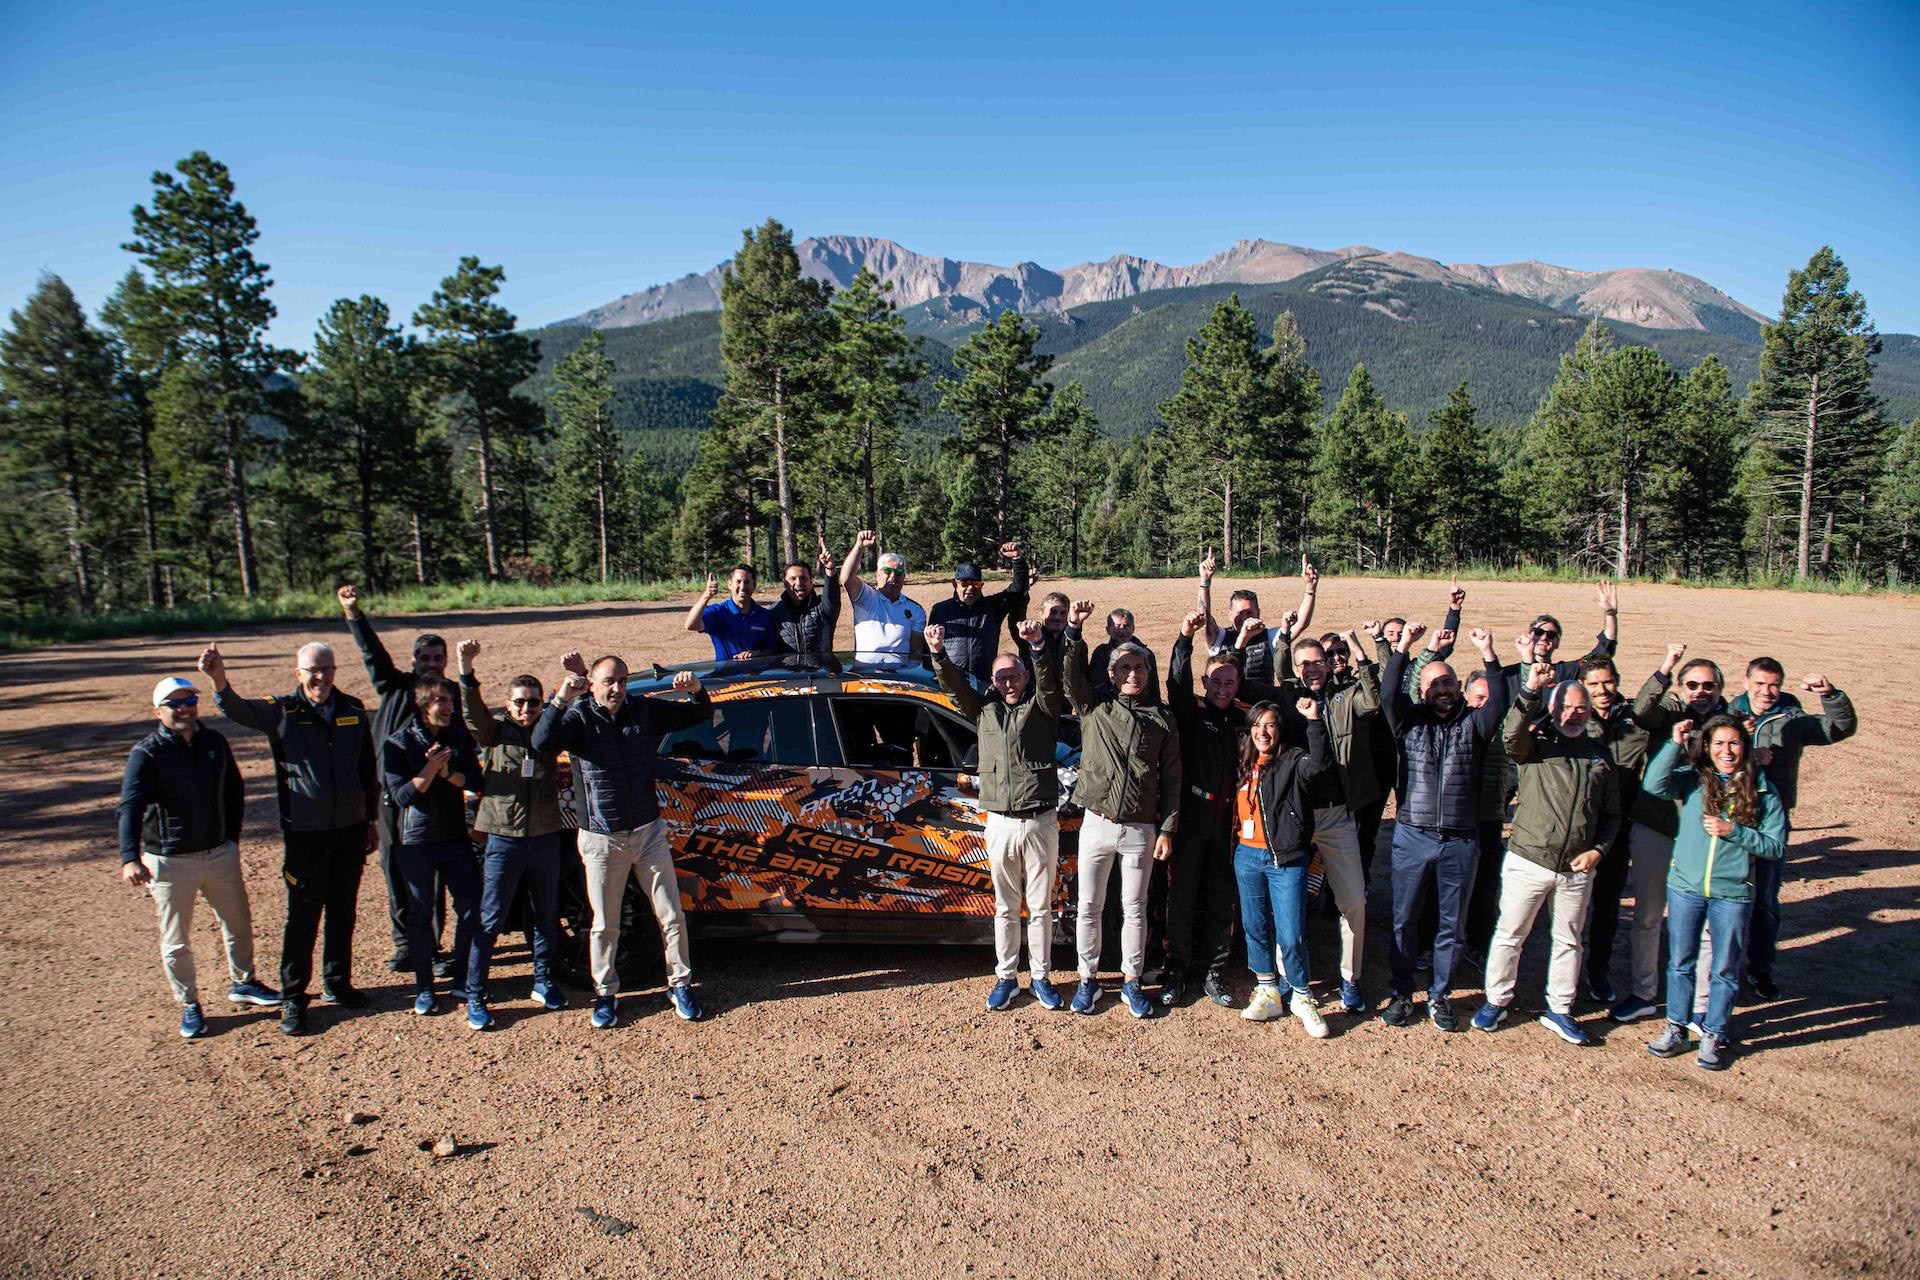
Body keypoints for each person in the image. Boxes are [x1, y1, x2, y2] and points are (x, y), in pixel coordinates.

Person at [203, 640, 379, 1036]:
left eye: (327, 669)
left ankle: (338, 984)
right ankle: (294, 996)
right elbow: (236, 709)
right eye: (313, 670)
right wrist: (218, 680)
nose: (321, 677)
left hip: (349, 829)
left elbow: (367, 768)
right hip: (305, 834)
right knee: (302, 916)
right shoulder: (282, 710)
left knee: (343, 911)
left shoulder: (352, 709)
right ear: (297, 672)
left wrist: (370, 820)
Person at [532, 654, 716, 1028]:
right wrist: (559, 700)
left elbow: (694, 716)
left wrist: (698, 692)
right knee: (605, 923)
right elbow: (541, 744)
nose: (616, 689)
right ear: (592, 684)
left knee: (671, 915)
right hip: (601, 839)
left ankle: (679, 984)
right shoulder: (577, 717)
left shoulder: (641, 711)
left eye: (621, 681)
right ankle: (605, 993)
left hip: (647, 832)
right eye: (608, 682)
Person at [118, 676, 279, 1038]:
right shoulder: (146, 753)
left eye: (189, 700)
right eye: (174, 703)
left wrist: (230, 839)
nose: (184, 708)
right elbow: (130, 807)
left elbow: (234, 790)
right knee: (176, 938)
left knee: (237, 923)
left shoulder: (214, 742)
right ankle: (189, 1002)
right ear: (158, 711)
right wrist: (130, 857)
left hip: (218, 852)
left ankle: (244, 982)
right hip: (170, 860)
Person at [1473, 665, 1621, 1045]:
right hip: (1529, 858)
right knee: (1510, 934)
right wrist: (1531, 690)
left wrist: (1599, 851)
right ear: (1552, 710)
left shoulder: (1599, 758)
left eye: (1580, 709)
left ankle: (1560, 1008)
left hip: (1577, 866)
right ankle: (1496, 999)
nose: (1573, 715)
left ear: (1589, 712)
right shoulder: (1534, 746)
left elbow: (1612, 815)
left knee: (1569, 939)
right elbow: (1510, 734)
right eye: (1566, 708)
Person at [929, 618, 1066, 1011]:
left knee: (1040, 906)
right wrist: (938, 653)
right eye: (1001, 677)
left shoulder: (1042, 708)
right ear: (992, 680)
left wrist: (1037, 646)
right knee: (1006, 906)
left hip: (1039, 821)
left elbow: (1052, 682)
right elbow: (953, 685)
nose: (1009, 682)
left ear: (1025, 677)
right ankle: (1006, 976)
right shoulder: (983, 712)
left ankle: (1040, 976)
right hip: (1000, 823)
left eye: (1014, 676)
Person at [1379, 623, 1509, 1030]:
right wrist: (1404, 648)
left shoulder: (1475, 725)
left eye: (1448, 682)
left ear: (1458, 687)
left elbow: (1500, 701)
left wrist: (1489, 654)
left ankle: (1439, 995)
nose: (1442, 690)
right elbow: (1387, 691)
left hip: (1460, 839)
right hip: (1413, 833)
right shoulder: (1407, 722)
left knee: (1451, 923)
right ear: (1423, 691)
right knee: (1405, 919)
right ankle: (1402, 992)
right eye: (1434, 684)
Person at [1643, 715, 1787, 1070]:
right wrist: (1674, 745)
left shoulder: (1763, 788)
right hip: (1686, 887)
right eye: (1719, 743)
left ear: (1745, 747)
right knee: (1680, 962)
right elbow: (1653, 784)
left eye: (1734, 743)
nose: (1727, 751)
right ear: (1706, 747)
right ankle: (1676, 1026)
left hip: (1732, 892)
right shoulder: (1692, 781)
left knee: (1725, 967)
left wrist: (1734, 831)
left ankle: (1714, 1031)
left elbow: (1775, 846)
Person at [1061, 600, 1182, 1019]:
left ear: (1149, 673)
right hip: (1096, 822)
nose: (1133, 675)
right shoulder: (1094, 708)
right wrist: (1074, 632)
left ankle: (1132, 982)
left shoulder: (1162, 720)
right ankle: (1087, 980)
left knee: (1135, 908)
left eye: (1140, 668)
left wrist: (1166, 829)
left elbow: (1172, 780)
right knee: (1089, 906)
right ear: (1111, 674)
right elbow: (1070, 677)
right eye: (1124, 669)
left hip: (1140, 829)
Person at [1609, 645, 1727, 1024]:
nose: (1701, 692)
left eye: (1709, 686)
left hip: (1706, 836)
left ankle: (1700, 1002)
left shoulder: (1729, 726)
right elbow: (1642, 709)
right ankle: (1644, 992)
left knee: (1705, 923)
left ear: (1721, 689)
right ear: (1680, 687)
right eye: (1692, 684)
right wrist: (1665, 669)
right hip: (1655, 826)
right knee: (1647, 916)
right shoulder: (1668, 715)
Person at [337, 584, 449, 976]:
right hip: (390, 796)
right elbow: (371, 653)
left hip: (433, 798)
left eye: (437, 657)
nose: (431, 663)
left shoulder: (449, 697)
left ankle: (432, 948)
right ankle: (405, 944)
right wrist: (353, 613)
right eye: (424, 657)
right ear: (415, 660)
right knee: (394, 867)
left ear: (445, 661)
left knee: (429, 873)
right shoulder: (396, 686)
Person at [457, 638, 567, 1026]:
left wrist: (569, 687)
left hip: (544, 836)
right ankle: (475, 993)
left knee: (545, 913)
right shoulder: (494, 734)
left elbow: (568, 711)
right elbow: (471, 716)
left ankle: (543, 981)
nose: (526, 708)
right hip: (503, 838)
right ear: (508, 704)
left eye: (533, 702)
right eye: (519, 701)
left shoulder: (548, 734)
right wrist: (466, 670)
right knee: (490, 917)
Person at [1730, 658, 1857, 998]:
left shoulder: (1793, 718)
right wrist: (1747, 756)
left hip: (1773, 818)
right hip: (1732, 815)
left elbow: (1838, 729)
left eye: (1773, 685)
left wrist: (1831, 695)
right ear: (1746, 681)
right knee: (1726, 895)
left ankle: (1759, 969)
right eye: (1759, 683)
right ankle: (1722, 968)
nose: (1766, 691)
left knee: (1766, 899)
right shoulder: (1727, 713)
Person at [1279, 631, 1379, 1016]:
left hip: (1338, 814)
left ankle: (1350, 978)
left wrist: (1359, 651)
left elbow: (1373, 700)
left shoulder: (1345, 697)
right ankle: (1289, 976)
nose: (1311, 669)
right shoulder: (1288, 701)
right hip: (1297, 814)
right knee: (1287, 901)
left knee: (1353, 899)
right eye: (1302, 664)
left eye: (1317, 661)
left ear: (1328, 662)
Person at [1162, 611, 1253, 1009]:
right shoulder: (1192, 711)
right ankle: (1176, 968)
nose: (1222, 688)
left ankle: (1213, 970)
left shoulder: (1244, 719)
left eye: (1229, 683)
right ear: (1205, 682)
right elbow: (1175, 685)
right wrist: (1184, 640)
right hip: (1193, 816)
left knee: (1221, 895)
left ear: (1237, 685)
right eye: (1215, 681)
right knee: (1181, 896)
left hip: (1229, 822)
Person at [379, 677, 484, 1018]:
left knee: (471, 907)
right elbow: (400, 797)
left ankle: (461, 978)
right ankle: (424, 987)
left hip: (454, 835)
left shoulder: (456, 735)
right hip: (417, 840)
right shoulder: (397, 743)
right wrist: (428, 769)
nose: (449, 707)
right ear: (424, 706)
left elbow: (476, 779)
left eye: (450, 700)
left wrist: (451, 775)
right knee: (421, 916)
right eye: (441, 701)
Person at [1233, 700, 1335, 1037]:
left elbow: (1319, 765)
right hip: (1247, 856)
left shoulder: (1292, 761)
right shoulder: (1244, 764)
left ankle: (1302, 995)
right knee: (1255, 926)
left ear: (1280, 730)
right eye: (1257, 725)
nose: (1263, 732)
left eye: (1271, 725)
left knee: (1291, 934)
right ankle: (1267, 990)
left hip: (1285, 858)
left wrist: (1314, 721)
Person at [1576, 657, 1654, 1006]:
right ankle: (1564, 973)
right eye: (1593, 684)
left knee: (1607, 906)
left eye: (1608, 682)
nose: (1602, 690)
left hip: (1617, 828)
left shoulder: (1636, 722)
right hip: (1578, 826)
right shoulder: (1572, 718)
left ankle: (1598, 970)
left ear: (1617, 681)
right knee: (1569, 907)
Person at [1198, 551, 1318, 686]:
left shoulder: (1269, 637)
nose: (1244, 618)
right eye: (1239, 613)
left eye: (1249, 613)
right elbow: (1205, 618)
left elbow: (1301, 623)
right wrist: (1205, 581)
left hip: (1261, 705)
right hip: (1227, 703)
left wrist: (1310, 588)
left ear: (1258, 613)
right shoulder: (1220, 638)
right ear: (1230, 615)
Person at [927, 541, 1030, 686]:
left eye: (976, 584)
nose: (970, 588)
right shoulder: (940, 610)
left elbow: (1019, 589)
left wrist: (1017, 559)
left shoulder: (993, 606)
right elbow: (930, 647)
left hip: (983, 683)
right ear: (954, 583)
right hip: (950, 683)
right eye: (964, 583)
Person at [840, 531, 924, 659]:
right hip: (866, 675)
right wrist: (859, 546)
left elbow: (916, 652)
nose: (893, 576)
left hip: (899, 675)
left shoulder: (916, 610)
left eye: (898, 572)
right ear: (877, 574)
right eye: (887, 571)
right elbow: (847, 579)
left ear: (904, 577)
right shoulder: (866, 598)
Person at [769, 535, 841, 656]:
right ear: (785, 583)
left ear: (811, 581)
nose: (799, 583)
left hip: (820, 672)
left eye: (803, 578)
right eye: (793, 579)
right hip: (788, 674)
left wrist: (830, 569)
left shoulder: (823, 608)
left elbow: (832, 595)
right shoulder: (774, 612)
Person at [685, 563, 775, 660]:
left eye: (747, 582)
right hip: (726, 674)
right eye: (738, 582)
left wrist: (756, 654)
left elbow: (772, 650)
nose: (742, 586)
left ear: (754, 585)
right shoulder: (718, 612)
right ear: (730, 584)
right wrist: (706, 596)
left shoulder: (765, 615)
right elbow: (691, 625)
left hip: (757, 674)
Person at [1088, 609, 1138, 703]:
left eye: (1126, 626)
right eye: (1117, 626)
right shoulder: (1101, 654)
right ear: (1108, 630)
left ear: (1133, 628)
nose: (1122, 630)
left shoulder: (1146, 654)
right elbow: (1097, 685)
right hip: (1109, 707)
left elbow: (1152, 688)